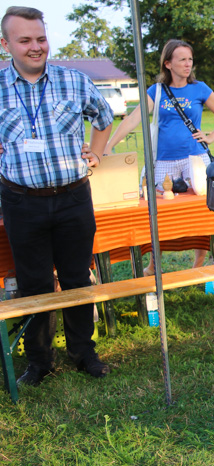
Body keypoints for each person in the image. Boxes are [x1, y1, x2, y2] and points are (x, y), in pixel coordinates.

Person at [0, 6, 113, 386]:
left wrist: (96, 152)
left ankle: (84, 352)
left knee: (77, 276)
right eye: (25, 40)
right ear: (6, 44)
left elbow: (103, 117)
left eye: (41, 38)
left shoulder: (74, 81)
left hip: (73, 197)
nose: (36, 47)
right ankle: (40, 361)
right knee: (34, 283)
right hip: (21, 201)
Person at [107, 39, 214, 273]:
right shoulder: (156, 91)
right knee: (155, 213)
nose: (188, 64)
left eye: (190, 59)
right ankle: (153, 265)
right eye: (182, 59)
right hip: (162, 160)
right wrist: (108, 145)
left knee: (201, 210)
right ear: (168, 64)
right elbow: (134, 118)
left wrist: (211, 137)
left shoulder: (200, 88)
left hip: (194, 160)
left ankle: (199, 265)